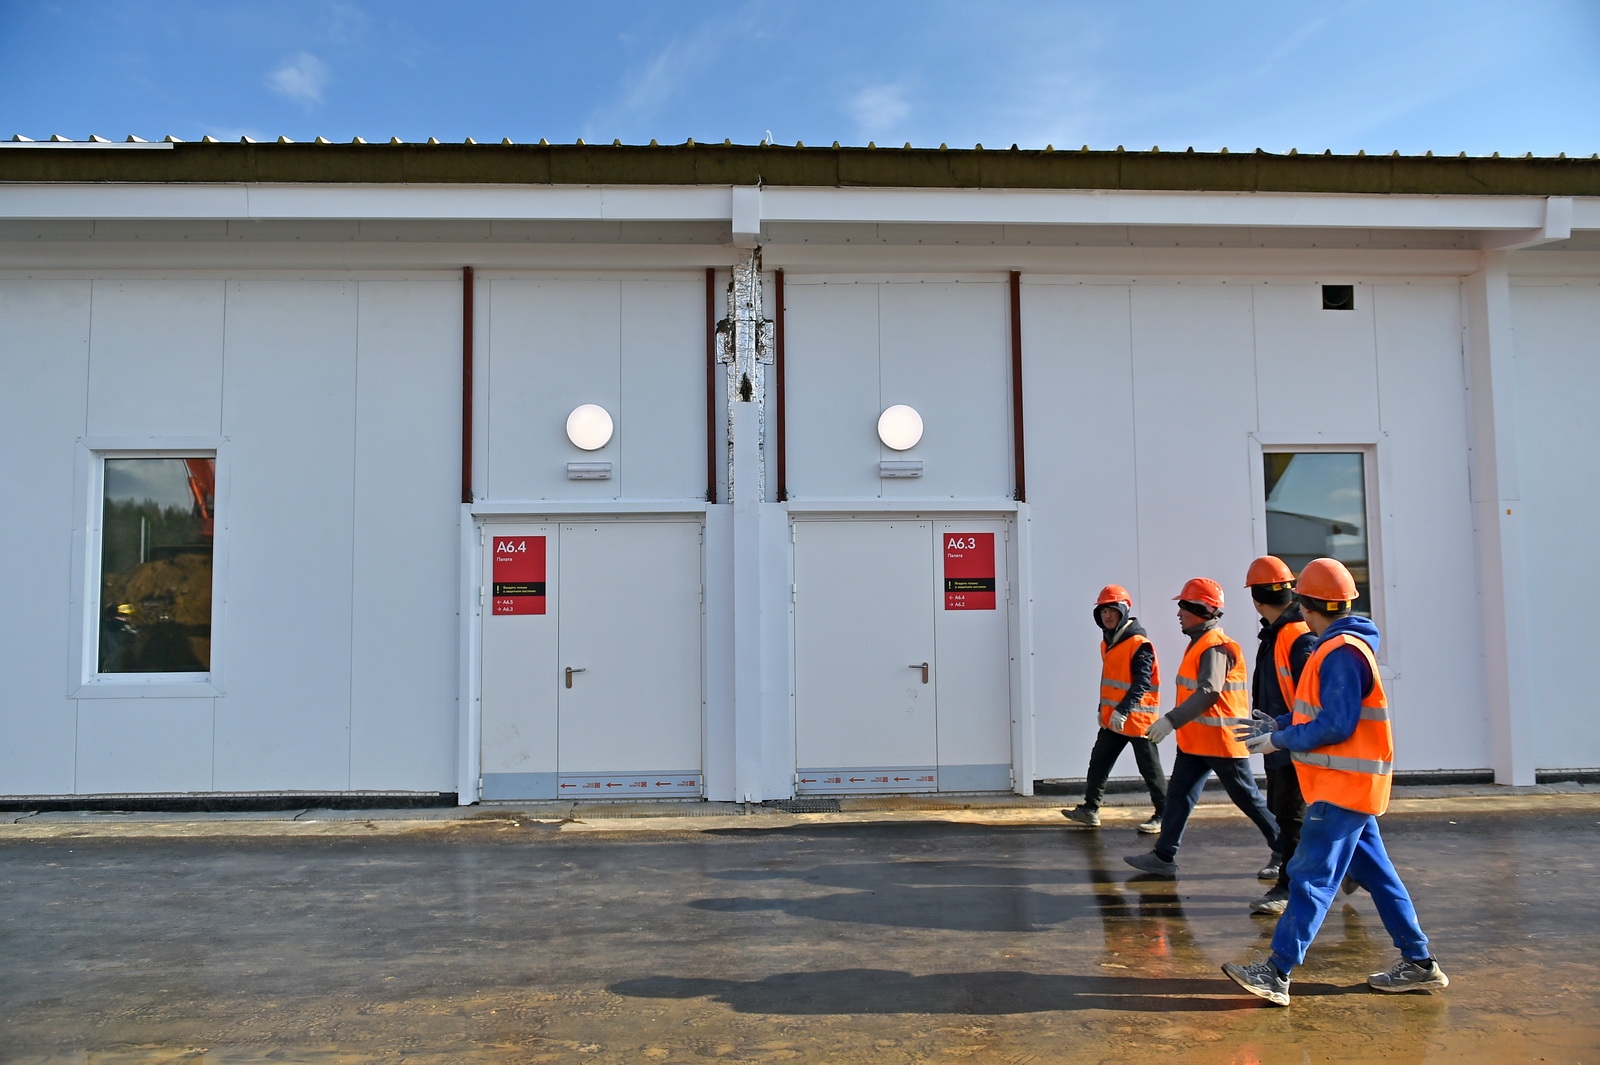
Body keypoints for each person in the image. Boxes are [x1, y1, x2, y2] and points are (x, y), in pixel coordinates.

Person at [1222, 558, 1447, 1006]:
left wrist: (1279, 739)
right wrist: (1280, 724)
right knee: (1379, 877)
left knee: (1310, 877)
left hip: (1341, 787)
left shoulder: (1339, 651)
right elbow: (1321, 713)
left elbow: (1336, 725)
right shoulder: (1342, 646)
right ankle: (1419, 964)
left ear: (1307, 605)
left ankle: (1276, 972)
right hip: (1351, 787)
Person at [1124, 578, 1279, 877]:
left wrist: (1171, 720)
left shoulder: (1215, 647)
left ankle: (1287, 852)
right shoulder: (1201, 643)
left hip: (1220, 742)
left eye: (1183, 606)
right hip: (1197, 742)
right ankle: (1163, 856)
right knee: (1179, 797)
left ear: (1201, 610)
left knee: (1249, 801)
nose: (1178, 613)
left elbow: (1209, 692)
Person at [1243, 556, 1317, 915]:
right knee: (1286, 815)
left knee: (1292, 820)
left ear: (1256, 600)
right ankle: (1352, 869)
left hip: (1294, 745)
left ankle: (1288, 888)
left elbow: (1310, 699)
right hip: (1282, 742)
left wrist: (1281, 732)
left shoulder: (1296, 636)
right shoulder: (1278, 634)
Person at [1062, 585, 1167, 834]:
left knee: (1150, 770)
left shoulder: (1139, 644)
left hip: (1137, 720)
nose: (1107, 616)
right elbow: (1110, 680)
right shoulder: (1109, 642)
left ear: (1123, 611)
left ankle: (1165, 814)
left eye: (1112, 610)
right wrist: (1103, 708)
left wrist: (1123, 710)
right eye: (1103, 611)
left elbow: (1142, 682)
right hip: (1114, 720)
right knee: (1099, 762)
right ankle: (1090, 809)